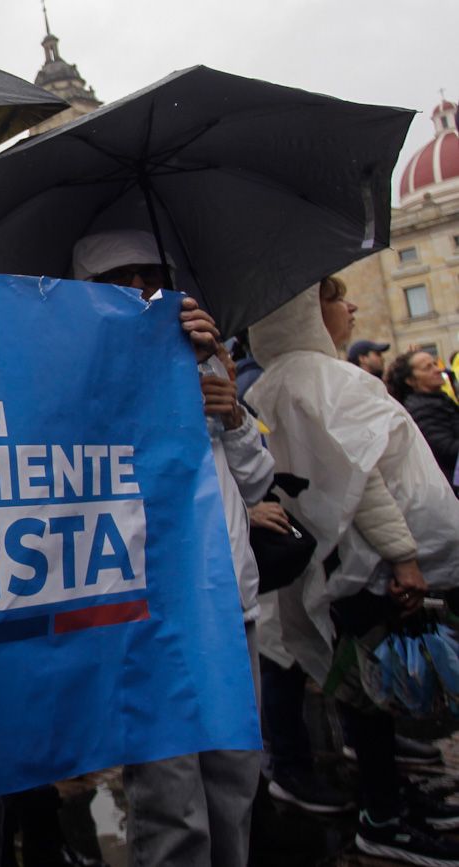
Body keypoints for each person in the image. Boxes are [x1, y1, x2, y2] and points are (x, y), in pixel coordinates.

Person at [72, 229, 268, 867]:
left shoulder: (205, 360)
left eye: (149, 273)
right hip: (149, 617)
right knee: (172, 802)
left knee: (236, 785)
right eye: (117, 278)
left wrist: (230, 414)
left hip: (230, 608)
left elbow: (258, 480)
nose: (138, 289)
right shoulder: (77, 377)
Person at [248, 277, 459, 866]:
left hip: (334, 571)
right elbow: (362, 484)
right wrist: (406, 558)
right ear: (306, 312)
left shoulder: (274, 384)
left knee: (363, 694)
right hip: (368, 568)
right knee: (375, 699)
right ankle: (384, 815)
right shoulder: (327, 380)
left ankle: (387, 799)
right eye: (338, 299)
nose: (353, 307)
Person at [386, 349, 459, 494]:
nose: (438, 370)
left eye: (435, 364)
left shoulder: (437, 398)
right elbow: (447, 449)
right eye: (428, 368)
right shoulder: (421, 408)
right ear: (411, 380)